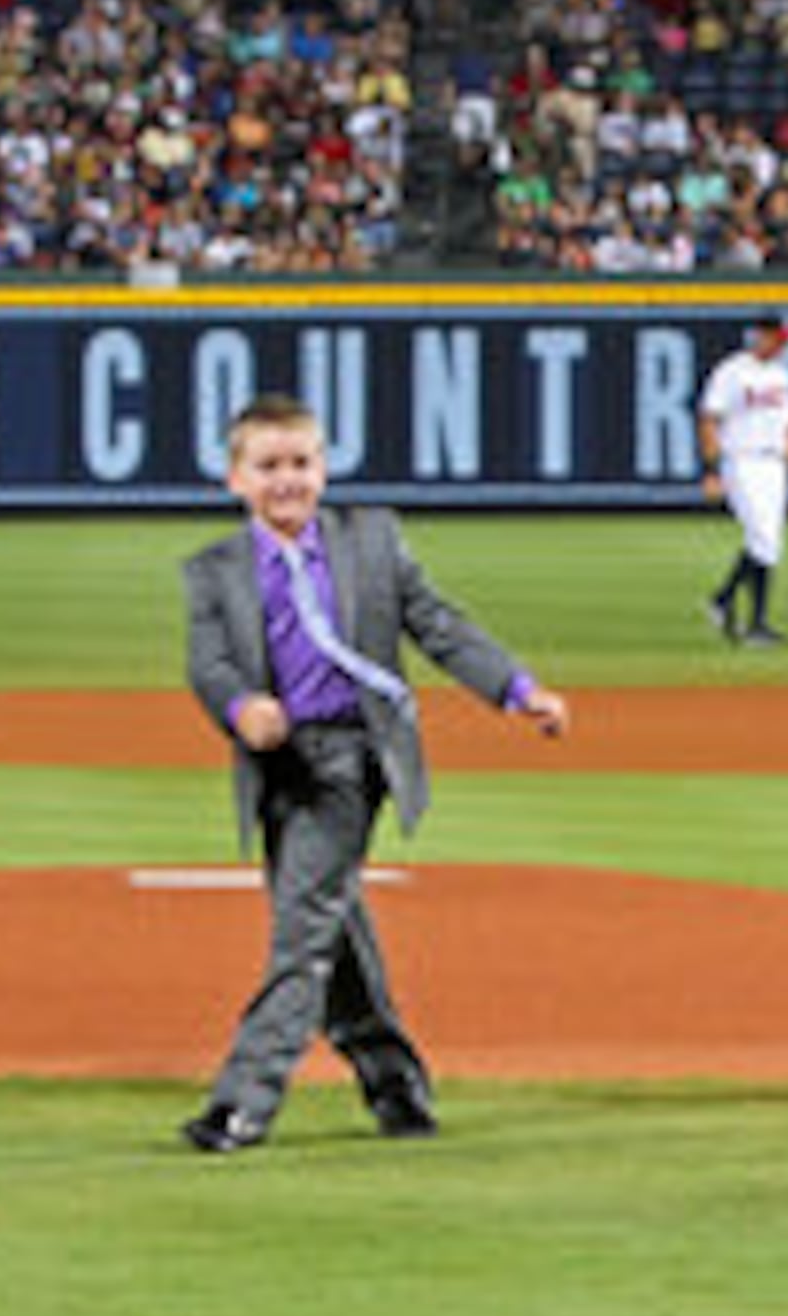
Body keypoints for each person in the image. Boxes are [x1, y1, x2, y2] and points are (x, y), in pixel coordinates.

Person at [180, 393, 572, 1156]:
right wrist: (239, 707)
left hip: (354, 760)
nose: (286, 479)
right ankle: (394, 1082)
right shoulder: (213, 570)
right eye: (268, 466)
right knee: (332, 921)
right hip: (279, 763)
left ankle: (242, 1102)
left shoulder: (372, 539)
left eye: (301, 462)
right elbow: (209, 663)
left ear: (324, 469)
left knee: (302, 929)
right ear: (235, 479)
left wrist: (519, 689)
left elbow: (437, 623)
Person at [697, 313, 788, 645]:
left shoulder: (781, 376)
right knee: (762, 537)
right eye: (778, 337)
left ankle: (744, 614)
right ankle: (733, 607)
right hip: (741, 460)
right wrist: (711, 470)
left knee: (769, 544)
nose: (783, 344)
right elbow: (708, 420)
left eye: (785, 339)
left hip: (774, 463)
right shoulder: (732, 371)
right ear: (760, 335)